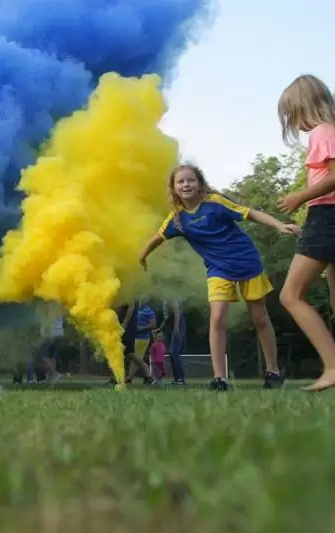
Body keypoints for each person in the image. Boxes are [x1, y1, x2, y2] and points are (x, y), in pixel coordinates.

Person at [139, 164, 299, 391]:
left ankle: (273, 372)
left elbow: (250, 213)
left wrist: (279, 225)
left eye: (190, 180)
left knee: (260, 318)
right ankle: (219, 379)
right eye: (180, 181)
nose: (186, 184)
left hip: (247, 263)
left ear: (199, 184)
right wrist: (142, 256)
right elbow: (158, 237)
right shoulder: (177, 219)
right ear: (173, 188)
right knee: (217, 318)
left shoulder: (215, 203)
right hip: (218, 270)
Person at [276, 74, 335, 391]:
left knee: (291, 295)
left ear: (306, 107)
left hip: (326, 216)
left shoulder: (322, 132)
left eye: (293, 115)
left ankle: (333, 366)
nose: (295, 124)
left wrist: (300, 196)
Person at [115, 300, 154, 385]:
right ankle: (147, 375)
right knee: (126, 352)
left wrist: (124, 324)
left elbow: (131, 307)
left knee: (128, 352)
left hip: (128, 328)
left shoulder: (131, 296)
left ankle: (147, 374)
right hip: (123, 326)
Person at [160, 299, 187, 386]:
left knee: (174, 352)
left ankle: (180, 378)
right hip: (170, 325)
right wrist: (160, 328)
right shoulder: (164, 300)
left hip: (177, 325)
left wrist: (176, 327)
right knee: (171, 353)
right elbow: (167, 317)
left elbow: (177, 312)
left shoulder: (171, 296)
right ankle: (177, 378)